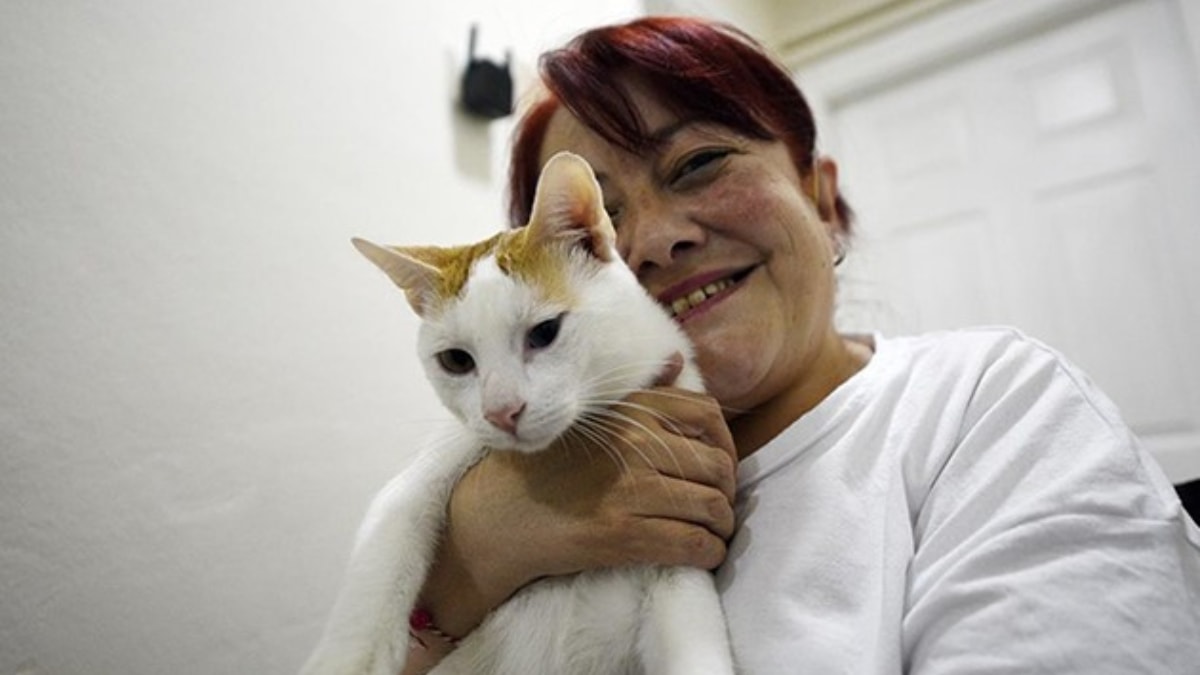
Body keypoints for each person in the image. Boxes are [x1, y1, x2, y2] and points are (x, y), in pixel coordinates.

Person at [402, 16, 1200, 674]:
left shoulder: (989, 404)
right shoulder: (505, 474)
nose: (653, 239)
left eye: (700, 162)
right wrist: (470, 560)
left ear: (819, 195)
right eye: (594, 230)